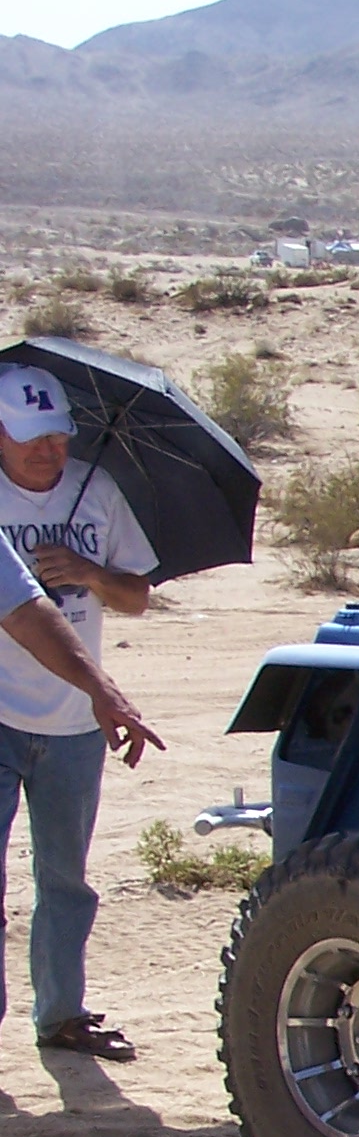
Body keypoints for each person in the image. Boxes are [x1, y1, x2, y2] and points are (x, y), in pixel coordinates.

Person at [0, 364, 165, 1061]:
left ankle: (62, 1014)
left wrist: (90, 573)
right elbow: (24, 611)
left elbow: (137, 595)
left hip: (74, 723)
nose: (47, 452)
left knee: (66, 877)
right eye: (30, 438)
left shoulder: (96, 493)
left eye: (57, 437)